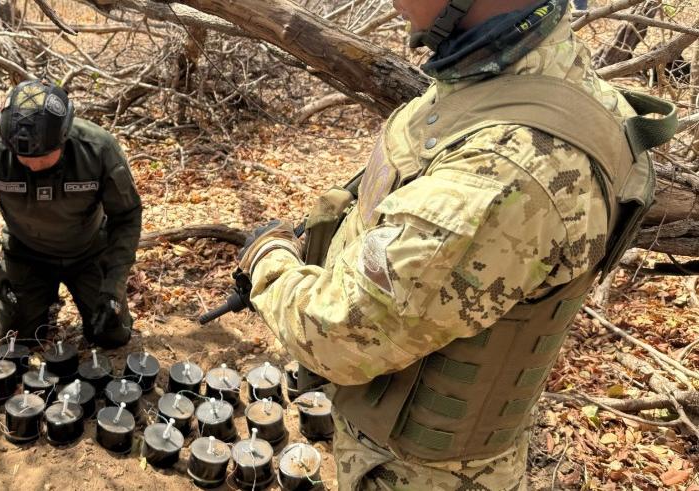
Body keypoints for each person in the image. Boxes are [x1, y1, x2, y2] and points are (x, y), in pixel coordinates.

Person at [236, 0, 675, 489]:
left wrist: (267, 259)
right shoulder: (514, 78)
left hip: (419, 469)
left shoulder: (509, 167)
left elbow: (338, 336)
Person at [0, 81, 142, 349]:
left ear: (64, 136)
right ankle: (41, 303)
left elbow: (127, 216)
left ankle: (76, 301)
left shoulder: (98, 149)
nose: (33, 165)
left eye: (45, 156)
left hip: (88, 251)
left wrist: (114, 285)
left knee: (111, 334)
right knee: (16, 342)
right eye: (23, 157)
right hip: (26, 253)